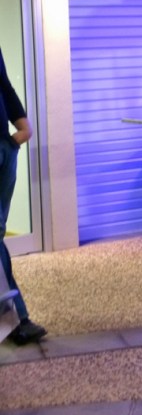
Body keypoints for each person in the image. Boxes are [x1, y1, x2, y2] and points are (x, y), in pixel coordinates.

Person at [1, 48, 47, 345]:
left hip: (4, 148)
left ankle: (16, 320)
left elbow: (3, 83)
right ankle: (17, 320)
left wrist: (23, 128)